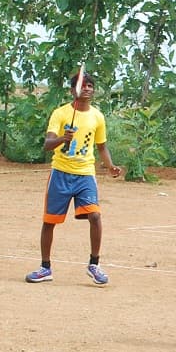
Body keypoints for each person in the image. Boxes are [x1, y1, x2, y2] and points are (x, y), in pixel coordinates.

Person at [25, 71, 123, 285]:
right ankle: (45, 268)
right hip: (60, 173)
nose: (86, 88)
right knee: (49, 222)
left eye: (90, 85)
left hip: (85, 174)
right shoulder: (60, 114)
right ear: (72, 91)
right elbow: (47, 145)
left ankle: (94, 264)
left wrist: (110, 166)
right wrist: (63, 138)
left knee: (95, 216)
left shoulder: (97, 117)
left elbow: (102, 147)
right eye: (82, 85)